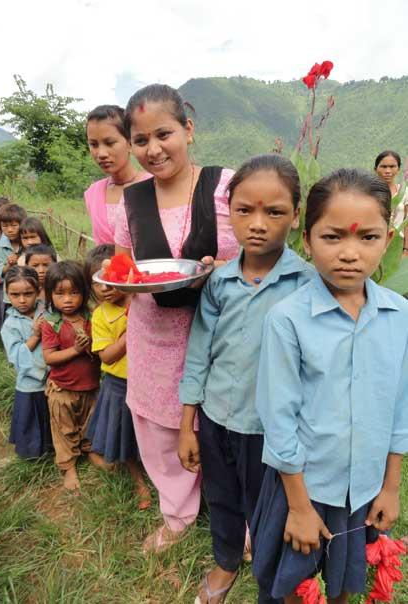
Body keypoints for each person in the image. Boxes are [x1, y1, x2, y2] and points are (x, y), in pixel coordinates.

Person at [252, 169, 408, 604]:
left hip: (364, 489)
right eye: (333, 237)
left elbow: (400, 409)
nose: (350, 254)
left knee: (342, 585)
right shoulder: (287, 320)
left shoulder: (401, 317)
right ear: (307, 238)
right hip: (303, 487)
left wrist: (390, 487)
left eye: (368, 238)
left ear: (389, 238)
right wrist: (299, 508)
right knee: (292, 586)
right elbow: (279, 419)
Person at [179, 155, 314, 604]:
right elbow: (200, 350)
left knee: (268, 507)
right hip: (217, 417)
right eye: (244, 211)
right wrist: (187, 423)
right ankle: (225, 560)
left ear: (296, 216)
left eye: (274, 212)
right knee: (222, 497)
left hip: (271, 431)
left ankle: (269, 570)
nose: (258, 224)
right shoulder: (219, 281)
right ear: (230, 212)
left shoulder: (308, 285)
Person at [114, 83, 239, 553]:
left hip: (225, 334)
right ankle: (178, 511)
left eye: (163, 134)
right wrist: (113, 281)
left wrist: (227, 269)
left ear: (188, 129)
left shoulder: (227, 185)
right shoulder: (132, 200)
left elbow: (262, 246)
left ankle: (239, 517)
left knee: (229, 426)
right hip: (155, 332)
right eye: (141, 140)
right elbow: (126, 264)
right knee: (160, 429)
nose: (153, 149)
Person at [84, 245, 152, 509]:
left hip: (147, 381)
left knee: (146, 432)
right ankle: (138, 481)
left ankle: (156, 472)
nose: (106, 286)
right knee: (124, 433)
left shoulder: (141, 302)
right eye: (98, 281)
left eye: (113, 277)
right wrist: (127, 335)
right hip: (119, 384)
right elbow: (107, 357)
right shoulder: (100, 316)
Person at [41, 261, 100, 491]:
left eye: (74, 293)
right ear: (50, 295)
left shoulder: (92, 318)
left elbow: (100, 351)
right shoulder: (51, 323)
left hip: (90, 386)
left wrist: (90, 345)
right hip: (62, 389)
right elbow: (49, 357)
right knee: (63, 428)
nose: (67, 299)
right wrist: (75, 349)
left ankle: (90, 449)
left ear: (84, 293)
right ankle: (68, 466)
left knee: (90, 421)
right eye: (60, 293)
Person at [1, 266, 52, 459]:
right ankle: (32, 452)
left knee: (52, 414)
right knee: (31, 416)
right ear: (7, 294)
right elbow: (16, 356)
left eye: (28, 294)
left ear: (38, 291)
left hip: (53, 377)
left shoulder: (46, 311)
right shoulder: (10, 324)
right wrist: (36, 335)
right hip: (29, 383)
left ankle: (53, 447)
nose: (22, 300)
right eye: (15, 295)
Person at [84, 105, 150, 249]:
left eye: (109, 143)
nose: (101, 153)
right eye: (93, 144)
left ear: (129, 142)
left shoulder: (154, 186)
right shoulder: (93, 193)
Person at [374, 150, 408, 253]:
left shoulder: (405, 192)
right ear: (375, 169)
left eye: (392, 166)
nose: (388, 171)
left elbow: (407, 223)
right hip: (375, 245)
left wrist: (406, 249)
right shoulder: (370, 193)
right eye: (383, 167)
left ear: (398, 169)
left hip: (397, 247)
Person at [0, 203, 27, 276]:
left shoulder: (29, 240)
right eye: (4, 226)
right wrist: (9, 264)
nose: (10, 230)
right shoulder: (1, 245)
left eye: (14, 225)